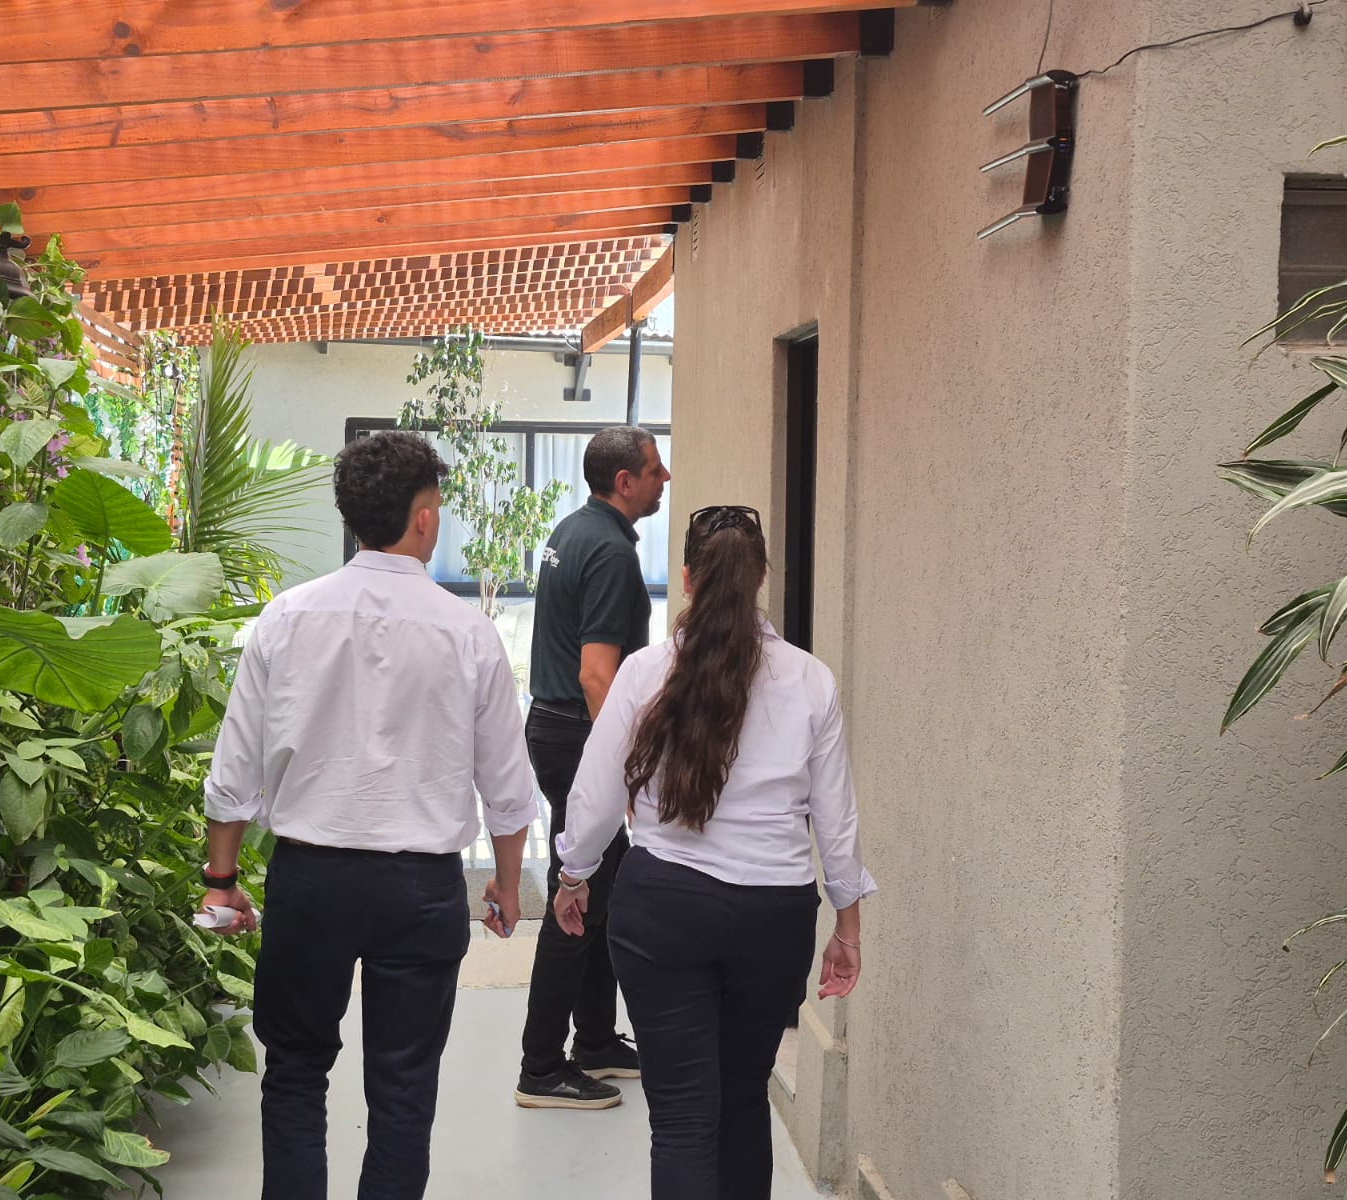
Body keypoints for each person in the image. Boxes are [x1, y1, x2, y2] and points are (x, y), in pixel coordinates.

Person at [198, 430, 535, 1200]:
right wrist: (507, 883)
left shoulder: (287, 617)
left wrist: (221, 880)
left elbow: (235, 768)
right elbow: (507, 786)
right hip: (421, 890)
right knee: (404, 1089)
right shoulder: (469, 632)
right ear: (423, 517)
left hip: (310, 880)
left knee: (294, 1072)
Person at [553, 504, 877, 1198]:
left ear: (687, 579)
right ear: (760, 577)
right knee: (742, 1099)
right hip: (774, 916)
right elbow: (836, 819)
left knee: (680, 1117)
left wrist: (575, 874)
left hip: (664, 909)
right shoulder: (810, 679)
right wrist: (847, 926)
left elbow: (597, 793)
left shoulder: (646, 672)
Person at [515, 424, 671, 1110]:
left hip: (557, 728)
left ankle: (598, 1040)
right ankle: (541, 1066)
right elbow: (596, 674)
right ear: (625, 481)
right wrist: (628, 767)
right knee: (576, 893)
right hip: (580, 734)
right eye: (656, 469)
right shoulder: (609, 551)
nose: (665, 479)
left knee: (601, 889)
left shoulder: (573, 530)